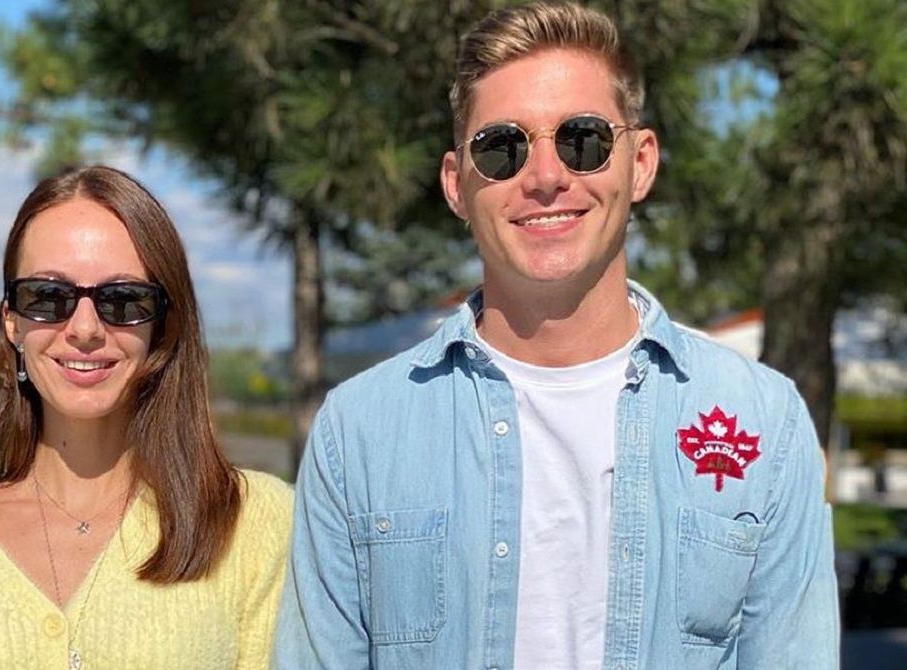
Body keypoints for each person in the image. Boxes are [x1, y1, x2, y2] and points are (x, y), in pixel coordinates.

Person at [273, 2, 838, 669]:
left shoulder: (766, 419)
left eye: (583, 140)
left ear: (641, 162)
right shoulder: (359, 432)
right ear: (456, 185)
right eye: (502, 148)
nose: (545, 177)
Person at [0, 166, 292, 669]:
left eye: (123, 301)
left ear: (163, 324)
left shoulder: (256, 523)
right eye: (48, 298)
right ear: (11, 321)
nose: (85, 329)